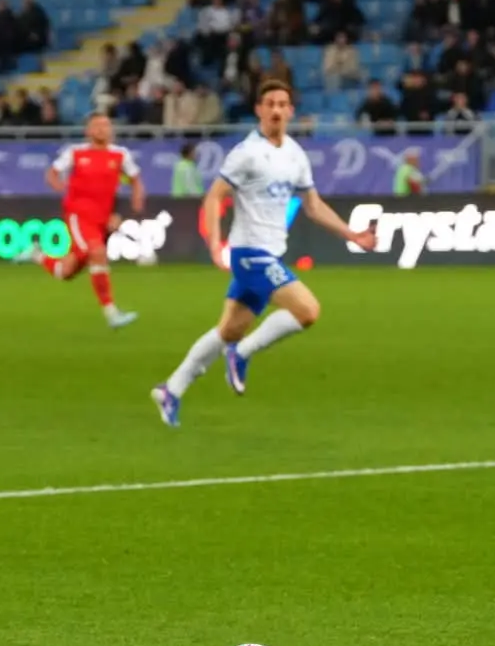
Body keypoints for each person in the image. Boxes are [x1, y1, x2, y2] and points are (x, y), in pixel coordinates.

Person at [151, 81, 378, 427]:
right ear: (259, 109)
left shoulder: (295, 155)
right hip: (249, 253)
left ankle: (172, 389)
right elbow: (214, 197)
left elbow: (313, 207)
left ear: (290, 111)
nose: (276, 110)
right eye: (269, 103)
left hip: (270, 254)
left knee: (228, 329)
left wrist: (352, 234)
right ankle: (241, 355)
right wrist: (214, 241)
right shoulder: (246, 153)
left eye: (282, 104)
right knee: (307, 310)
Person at [29, 112, 144, 329]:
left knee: (68, 272)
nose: (101, 129)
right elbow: (52, 173)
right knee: (96, 252)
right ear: (88, 131)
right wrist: (59, 186)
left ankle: (36, 255)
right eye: (96, 125)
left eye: (105, 125)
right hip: (78, 215)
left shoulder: (121, 155)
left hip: (102, 219)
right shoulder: (75, 152)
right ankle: (112, 313)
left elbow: (136, 179)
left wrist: (136, 199)